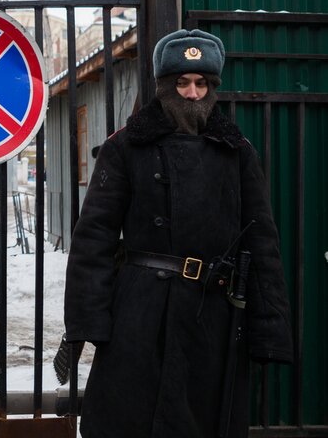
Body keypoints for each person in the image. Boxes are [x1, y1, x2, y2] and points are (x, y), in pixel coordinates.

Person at [64, 30, 293, 438]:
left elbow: (263, 241)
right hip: (140, 312)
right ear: (164, 86)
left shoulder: (236, 150)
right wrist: (88, 323)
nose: (191, 93)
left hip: (212, 315)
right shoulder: (126, 147)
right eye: (182, 83)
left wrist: (269, 328)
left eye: (201, 83)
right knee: (130, 422)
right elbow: (93, 239)